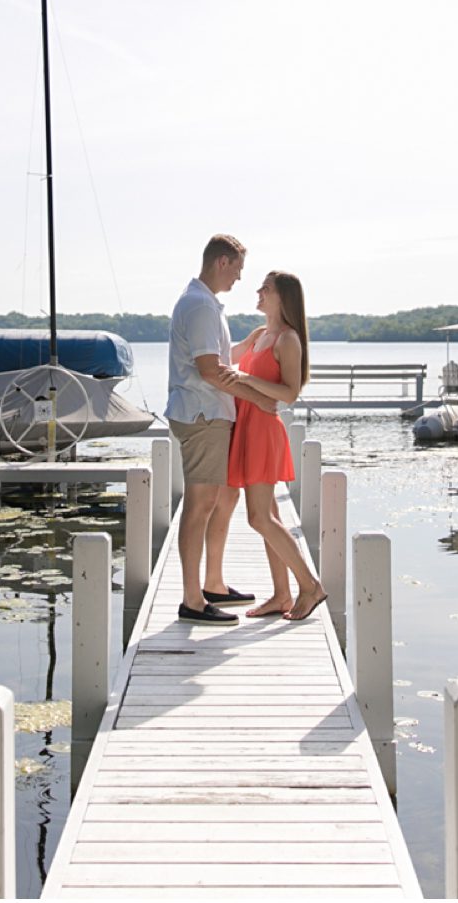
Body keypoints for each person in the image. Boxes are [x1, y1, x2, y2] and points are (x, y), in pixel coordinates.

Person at [167, 234, 279, 624]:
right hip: (202, 415)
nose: (240, 278)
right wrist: (258, 396)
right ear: (221, 262)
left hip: (208, 412)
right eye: (238, 269)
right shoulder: (199, 306)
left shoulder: (204, 303)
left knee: (217, 500)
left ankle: (212, 584)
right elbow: (208, 371)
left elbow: (212, 360)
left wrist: (245, 345)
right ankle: (192, 600)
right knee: (199, 505)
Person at [225, 269, 327, 621]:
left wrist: (246, 379)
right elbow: (225, 358)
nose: (258, 291)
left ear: (282, 297)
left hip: (264, 433)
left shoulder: (288, 339)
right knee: (271, 515)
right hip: (246, 427)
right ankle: (282, 594)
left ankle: (309, 586)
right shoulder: (259, 334)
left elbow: (290, 393)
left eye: (265, 288)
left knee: (258, 517)